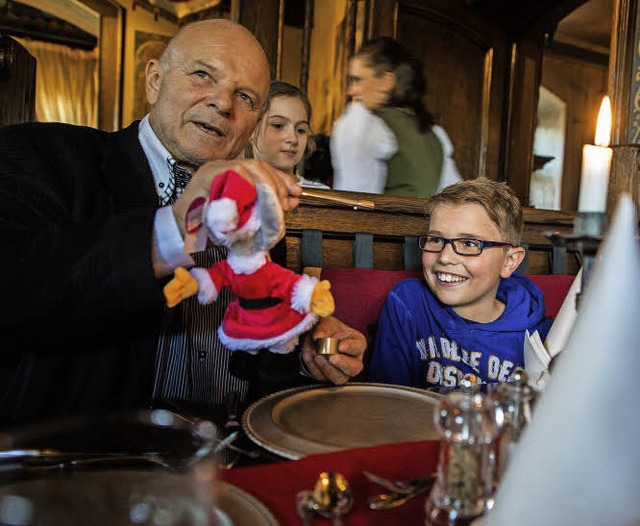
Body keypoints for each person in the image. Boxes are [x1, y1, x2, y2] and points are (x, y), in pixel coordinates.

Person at [0, 19, 365, 426]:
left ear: (253, 123)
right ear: (155, 80)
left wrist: (304, 349)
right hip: (93, 463)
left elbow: (259, 352)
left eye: (245, 97)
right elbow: (16, 283)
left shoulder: (259, 211)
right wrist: (175, 227)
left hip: (229, 456)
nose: (223, 104)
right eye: (202, 75)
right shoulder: (47, 156)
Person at [368, 178, 553, 388]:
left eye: (469, 243)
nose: (445, 257)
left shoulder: (541, 337)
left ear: (509, 262)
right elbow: (387, 402)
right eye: (436, 240)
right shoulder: (408, 304)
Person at [330, 37, 461, 197]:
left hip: (380, 222)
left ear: (386, 81)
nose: (351, 90)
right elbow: (455, 197)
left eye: (358, 80)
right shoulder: (434, 134)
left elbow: (354, 201)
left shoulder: (363, 124)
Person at [248, 80, 328, 189]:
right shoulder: (230, 190)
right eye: (278, 126)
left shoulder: (322, 194)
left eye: (300, 130)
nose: (293, 139)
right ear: (251, 129)